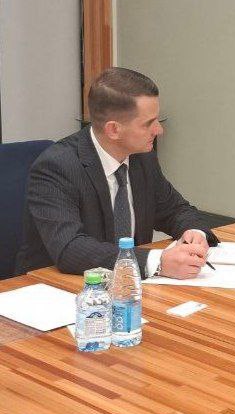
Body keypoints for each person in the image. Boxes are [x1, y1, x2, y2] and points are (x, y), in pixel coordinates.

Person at [16, 67, 219, 279]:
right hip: (56, 286)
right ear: (113, 129)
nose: (159, 130)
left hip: (126, 286)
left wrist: (194, 233)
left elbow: (175, 210)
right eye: (148, 123)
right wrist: (156, 262)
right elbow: (70, 249)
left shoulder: (141, 156)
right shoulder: (56, 167)